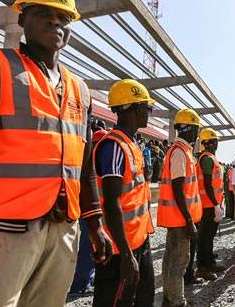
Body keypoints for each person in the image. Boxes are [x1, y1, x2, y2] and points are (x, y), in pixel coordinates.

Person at [0, 0, 113, 306]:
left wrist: (95, 223)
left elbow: (84, 162)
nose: (55, 21)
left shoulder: (79, 89)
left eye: (63, 16)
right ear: (22, 17)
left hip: (62, 229)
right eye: (42, 12)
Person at [92, 80, 156, 306]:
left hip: (138, 240)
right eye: (148, 108)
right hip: (120, 249)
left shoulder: (131, 143)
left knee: (144, 296)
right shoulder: (114, 147)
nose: (149, 113)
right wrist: (127, 255)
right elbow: (111, 203)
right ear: (137, 109)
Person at [157, 109, 202, 307]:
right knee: (179, 261)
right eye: (196, 129)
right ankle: (177, 301)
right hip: (180, 218)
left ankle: (170, 297)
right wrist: (189, 220)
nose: (197, 134)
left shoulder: (182, 152)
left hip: (178, 217)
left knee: (171, 259)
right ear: (189, 129)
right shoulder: (179, 153)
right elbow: (178, 189)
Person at [69, 128, 108, 295]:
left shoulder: (89, 160)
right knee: (88, 247)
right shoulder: (98, 162)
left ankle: (83, 280)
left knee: (86, 246)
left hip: (86, 210)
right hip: (90, 212)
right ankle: (80, 284)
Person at [195, 128, 226, 280]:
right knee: (205, 236)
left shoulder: (211, 158)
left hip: (212, 204)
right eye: (215, 141)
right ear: (209, 143)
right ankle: (202, 266)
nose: (217, 144)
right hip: (207, 205)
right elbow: (207, 185)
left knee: (209, 235)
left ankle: (210, 262)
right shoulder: (206, 159)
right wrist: (215, 204)